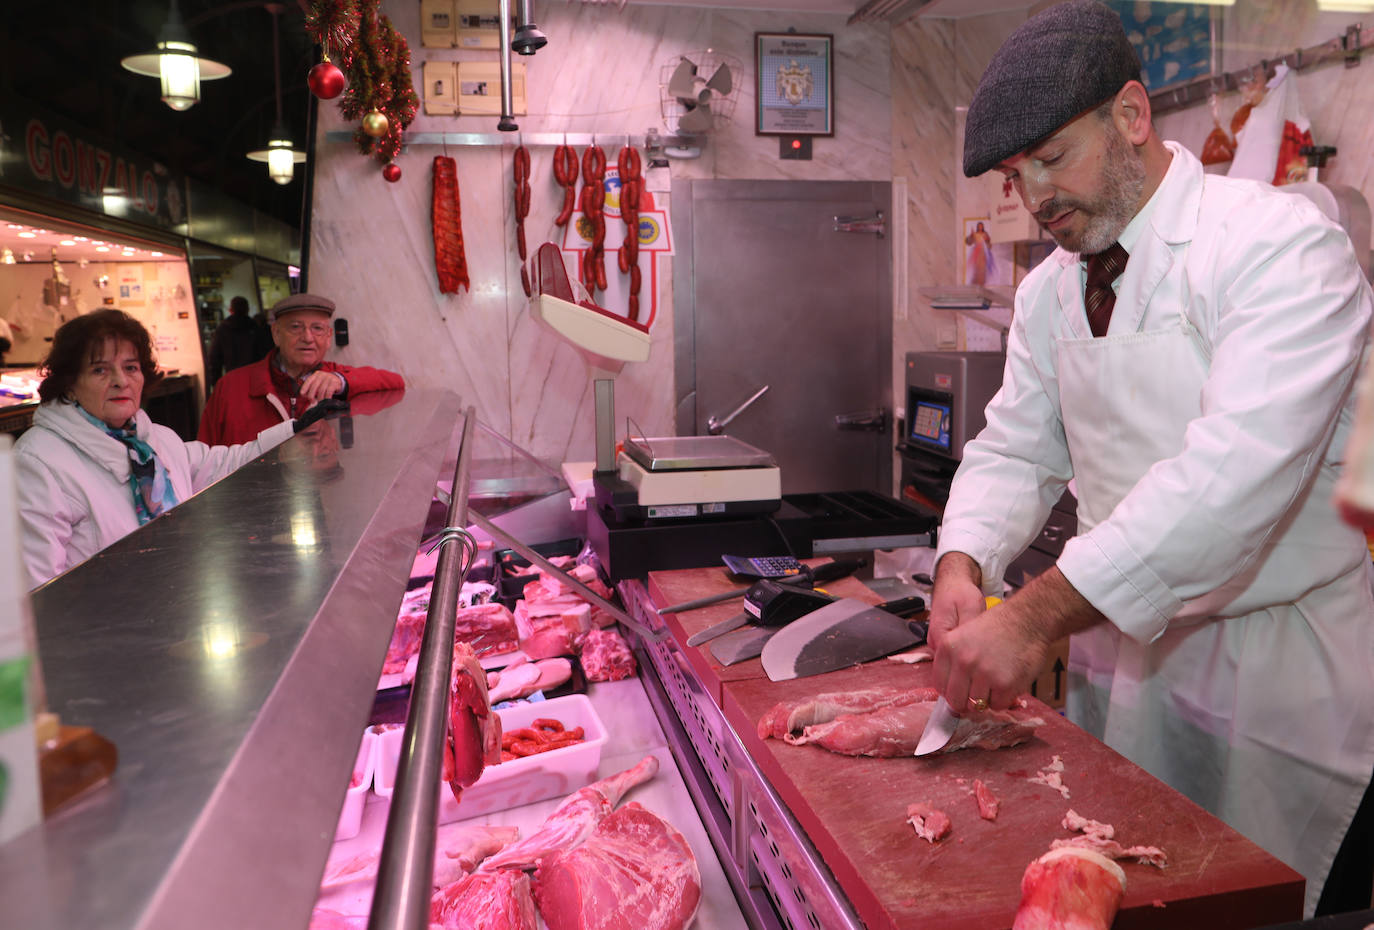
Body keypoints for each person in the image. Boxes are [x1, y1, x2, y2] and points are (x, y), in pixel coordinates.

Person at [927, 1, 1374, 918]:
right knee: (1129, 888)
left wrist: (1034, 617)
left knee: (1250, 902)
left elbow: (1231, 480)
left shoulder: (1279, 246)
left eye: (1053, 158)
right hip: (1127, 671)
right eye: (1019, 176)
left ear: (1132, 116)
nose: (1037, 195)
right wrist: (962, 561)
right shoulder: (1051, 291)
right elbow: (1014, 444)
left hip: (1278, 683)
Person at [12, 309, 332, 589]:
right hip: (101, 637)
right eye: (100, 370)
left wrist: (294, 431)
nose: (121, 381)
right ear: (69, 382)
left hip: (173, 608)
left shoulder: (154, 440)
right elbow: (34, 594)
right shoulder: (37, 463)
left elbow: (222, 463)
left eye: (131, 367)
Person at [198, 293, 404, 446]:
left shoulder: (336, 378)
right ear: (276, 334)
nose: (307, 337)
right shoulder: (231, 386)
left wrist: (340, 381)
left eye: (317, 328)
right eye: (295, 327)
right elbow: (204, 460)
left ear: (329, 336)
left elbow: (395, 381)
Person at [205, 296, 259, 389]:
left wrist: (216, 384)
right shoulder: (256, 328)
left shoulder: (223, 329)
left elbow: (214, 360)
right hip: (257, 379)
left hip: (234, 379)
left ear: (230, 310)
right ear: (247, 309)